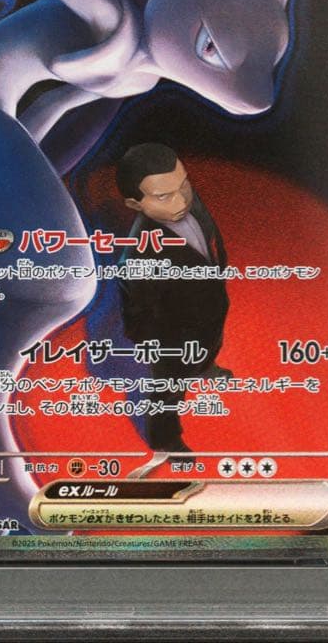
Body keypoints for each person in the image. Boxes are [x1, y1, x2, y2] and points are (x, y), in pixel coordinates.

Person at [116, 142, 231, 453]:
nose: (181, 201)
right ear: (134, 204)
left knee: (210, 346)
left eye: (184, 185)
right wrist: (163, 350)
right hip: (173, 339)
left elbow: (210, 239)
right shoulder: (138, 256)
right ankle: (164, 438)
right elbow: (138, 315)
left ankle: (205, 367)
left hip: (209, 311)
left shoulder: (190, 201)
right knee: (168, 389)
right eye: (164, 196)